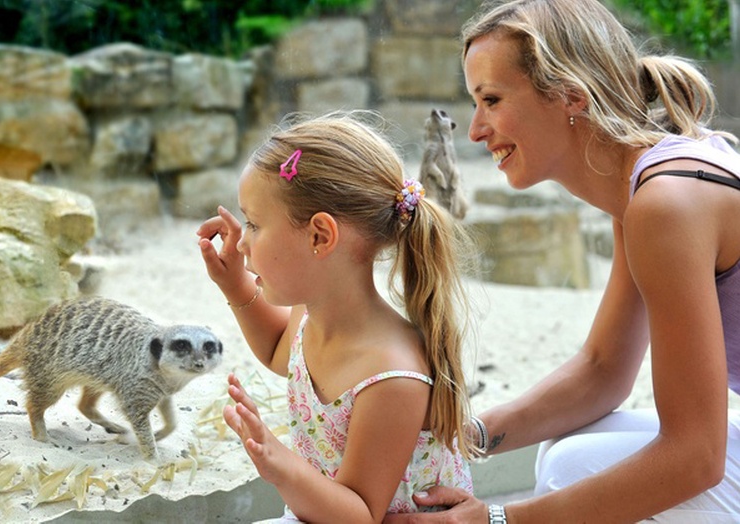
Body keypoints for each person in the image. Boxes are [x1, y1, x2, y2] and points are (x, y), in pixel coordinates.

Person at [387, 0, 740, 522]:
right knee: (566, 454)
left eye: (492, 100)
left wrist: (497, 519)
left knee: (567, 471)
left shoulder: (666, 204)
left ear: (571, 95)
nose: (476, 130)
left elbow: (696, 456)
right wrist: (462, 435)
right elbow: (603, 371)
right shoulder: (642, 184)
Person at [196, 112, 476, 522]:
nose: (242, 243)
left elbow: (360, 514)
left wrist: (279, 462)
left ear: (319, 236)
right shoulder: (311, 313)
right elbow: (279, 352)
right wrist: (234, 285)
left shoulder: (391, 376)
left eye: (254, 224)